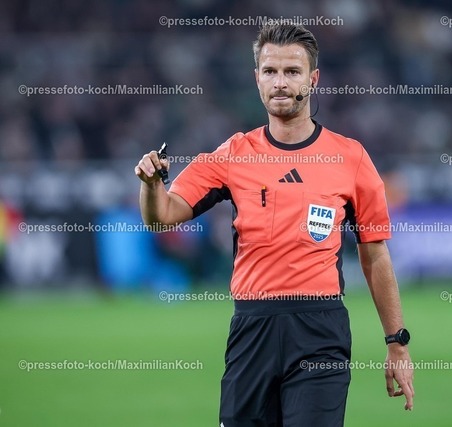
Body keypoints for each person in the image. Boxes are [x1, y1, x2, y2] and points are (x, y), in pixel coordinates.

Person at [134, 23, 414, 426]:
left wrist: (396, 343)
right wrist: (150, 184)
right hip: (252, 329)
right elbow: (161, 217)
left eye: (292, 71)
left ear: (313, 79)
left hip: (320, 331)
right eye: (270, 71)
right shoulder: (233, 154)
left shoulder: (350, 157)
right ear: (257, 79)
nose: (280, 82)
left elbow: (375, 254)